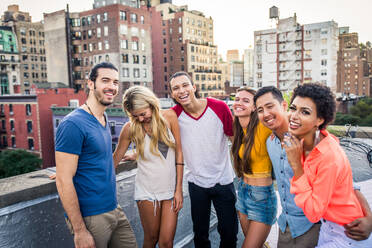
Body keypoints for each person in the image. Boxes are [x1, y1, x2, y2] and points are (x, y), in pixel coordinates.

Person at [254, 86, 372, 248]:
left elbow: (349, 185)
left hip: (315, 226)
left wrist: (369, 218)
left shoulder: (313, 142)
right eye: (260, 109)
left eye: (270, 106)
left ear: (283, 106)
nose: (266, 113)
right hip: (287, 225)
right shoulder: (270, 143)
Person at [55, 62, 137, 248]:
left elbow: (96, 159)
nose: (112, 87)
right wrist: (80, 230)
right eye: (105, 80)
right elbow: (63, 180)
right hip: (91, 216)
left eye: (115, 82)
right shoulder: (73, 124)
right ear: (91, 84)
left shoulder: (103, 117)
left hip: (114, 208)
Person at [169, 71, 238, 248]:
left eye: (185, 85)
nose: (181, 91)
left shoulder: (219, 107)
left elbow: (235, 141)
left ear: (194, 87)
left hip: (223, 180)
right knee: (200, 235)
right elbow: (150, 131)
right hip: (196, 183)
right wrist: (135, 153)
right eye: (176, 88)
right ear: (172, 94)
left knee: (229, 233)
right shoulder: (172, 115)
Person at [113, 86, 184, 248]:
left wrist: (179, 189)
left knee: (166, 242)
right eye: (135, 116)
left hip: (171, 190)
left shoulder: (170, 117)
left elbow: (179, 152)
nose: (139, 119)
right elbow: (114, 160)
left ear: (151, 105)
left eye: (143, 114)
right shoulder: (130, 128)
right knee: (151, 238)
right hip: (147, 191)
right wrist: (77, 172)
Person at [231, 86, 277, 248]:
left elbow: (284, 121)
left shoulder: (264, 127)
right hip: (243, 192)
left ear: (254, 108)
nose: (239, 103)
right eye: (237, 99)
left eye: (245, 100)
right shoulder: (239, 130)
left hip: (262, 197)